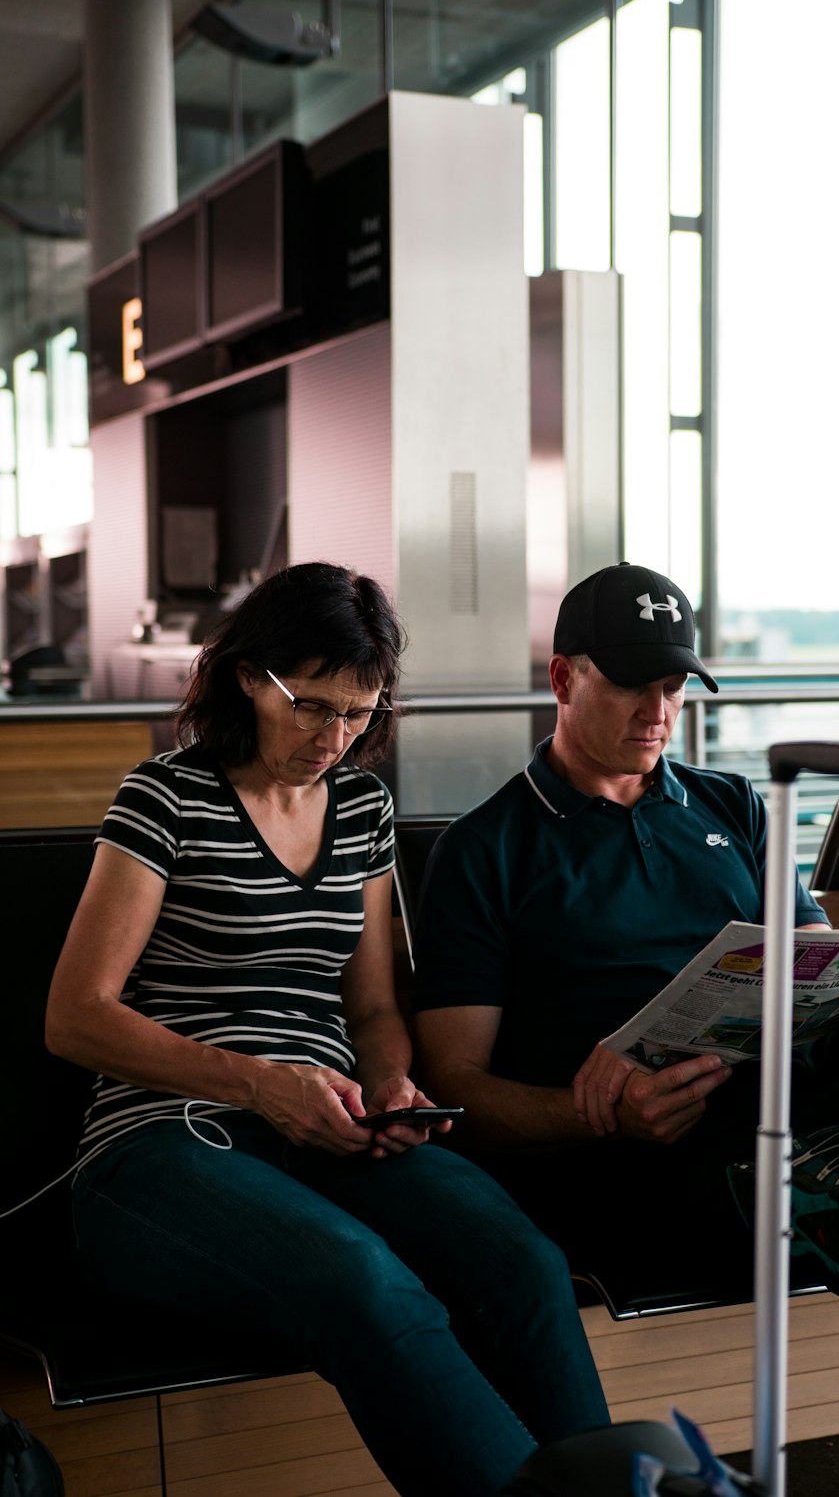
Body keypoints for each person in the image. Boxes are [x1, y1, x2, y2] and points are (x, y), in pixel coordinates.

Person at [411, 560, 839, 1494]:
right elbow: (453, 1089)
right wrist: (595, 1112)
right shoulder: (484, 851)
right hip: (645, 1166)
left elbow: (822, 975)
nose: (659, 707)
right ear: (565, 679)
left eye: (676, 684)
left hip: (792, 1110)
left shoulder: (732, 806)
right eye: (635, 682)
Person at [45, 561, 610, 1497]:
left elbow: (375, 1008)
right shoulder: (165, 797)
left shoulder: (361, 809)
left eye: (359, 714)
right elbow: (75, 1017)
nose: (333, 738)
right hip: (158, 1147)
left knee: (523, 1264)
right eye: (310, 707)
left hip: (329, 1128)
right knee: (363, 1280)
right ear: (245, 677)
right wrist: (261, 1083)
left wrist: (391, 1083)